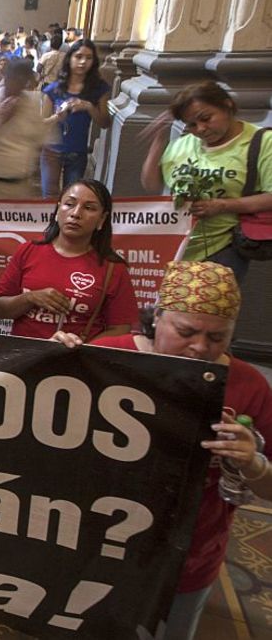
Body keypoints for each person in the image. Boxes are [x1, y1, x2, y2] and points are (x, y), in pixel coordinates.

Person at [51, 261, 272, 640]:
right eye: (186, 332)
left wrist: (252, 463)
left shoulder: (249, 386)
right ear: (157, 317)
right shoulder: (107, 357)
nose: (201, 348)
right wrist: (52, 368)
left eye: (218, 338)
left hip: (189, 556)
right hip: (95, 543)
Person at [141, 81, 271, 283]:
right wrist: (158, 142)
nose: (200, 129)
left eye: (206, 118)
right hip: (176, 248)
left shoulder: (263, 142)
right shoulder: (183, 144)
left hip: (223, 247)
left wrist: (223, 205)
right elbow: (152, 186)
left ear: (227, 106)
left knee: (200, 312)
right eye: (191, 124)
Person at [0, 179, 137, 340]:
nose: (75, 214)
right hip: (22, 358)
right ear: (57, 209)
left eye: (89, 208)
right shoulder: (28, 250)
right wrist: (30, 298)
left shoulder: (113, 268)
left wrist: (81, 350)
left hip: (78, 361)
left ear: (102, 219)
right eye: (69, 204)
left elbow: (121, 329)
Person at [40, 39, 111, 198]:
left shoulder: (98, 89)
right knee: (49, 197)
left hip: (77, 152)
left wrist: (89, 107)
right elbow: (41, 123)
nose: (83, 62)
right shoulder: (54, 89)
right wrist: (57, 117)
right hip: (52, 150)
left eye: (88, 58)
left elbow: (105, 123)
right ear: (70, 58)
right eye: (78, 56)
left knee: (71, 196)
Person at [0, 58, 48, 198]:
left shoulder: (32, 104)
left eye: (23, 82)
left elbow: (38, 143)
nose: (18, 86)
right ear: (6, 77)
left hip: (21, 185)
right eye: (15, 79)